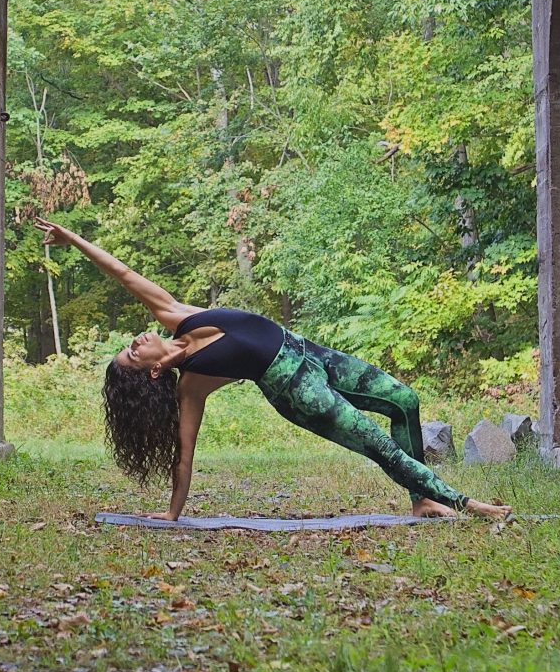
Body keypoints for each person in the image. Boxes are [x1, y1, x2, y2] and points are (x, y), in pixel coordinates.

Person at [30, 215, 511, 523]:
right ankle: (463, 503)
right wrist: (173, 514)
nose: (136, 341)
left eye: (130, 344)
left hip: (310, 352)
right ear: (152, 373)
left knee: (403, 400)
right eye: (133, 354)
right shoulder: (192, 386)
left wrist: (71, 238)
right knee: (378, 443)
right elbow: (185, 453)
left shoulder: (176, 316)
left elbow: (124, 274)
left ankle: (420, 498)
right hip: (295, 388)